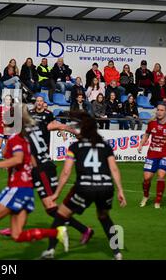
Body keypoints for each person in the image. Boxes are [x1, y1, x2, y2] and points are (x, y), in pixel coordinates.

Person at [0, 106, 69, 260]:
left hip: (17, 188)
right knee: (16, 235)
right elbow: (32, 162)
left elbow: (18, 159)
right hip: (27, 190)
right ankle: (57, 233)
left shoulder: (16, 139)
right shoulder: (24, 139)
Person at [41, 111, 126, 260]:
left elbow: (66, 172)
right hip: (106, 187)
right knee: (104, 217)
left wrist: (56, 194)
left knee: (60, 215)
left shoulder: (75, 147)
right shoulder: (105, 146)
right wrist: (120, 190)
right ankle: (117, 253)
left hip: (84, 187)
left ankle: (50, 251)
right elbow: (114, 169)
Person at [138, 103, 166, 209]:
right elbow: (147, 134)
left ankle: (157, 201)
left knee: (161, 175)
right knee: (147, 178)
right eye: (158, 109)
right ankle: (146, 196)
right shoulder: (152, 123)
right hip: (152, 153)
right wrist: (141, 144)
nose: (159, 112)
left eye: (162, 110)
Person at [0, 94, 14, 163]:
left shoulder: (13, 109)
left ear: (11, 101)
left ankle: (6, 162)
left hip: (9, 130)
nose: (7, 101)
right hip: (1, 129)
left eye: (9, 99)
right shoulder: (0, 108)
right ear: (4, 100)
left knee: (8, 148)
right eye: (6, 99)